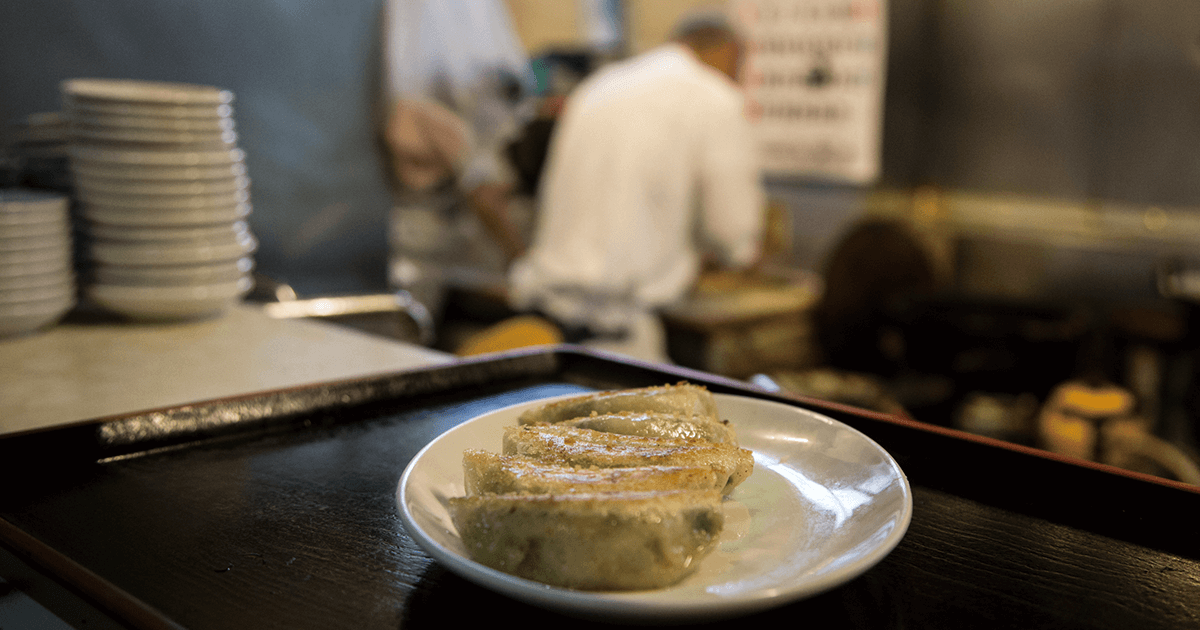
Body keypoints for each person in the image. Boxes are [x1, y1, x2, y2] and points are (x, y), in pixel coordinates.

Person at [507, 11, 767, 363]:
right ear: (731, 54)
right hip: (620, 336)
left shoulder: (600, 85)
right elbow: (732, 231)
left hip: (543, 320)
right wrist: (741, 253)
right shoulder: (714, 96)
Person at [382, 0, 536, 321]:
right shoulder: (440, 97)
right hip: (423, 243)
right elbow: (483, 185)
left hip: (418, 238)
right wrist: (521, 258)